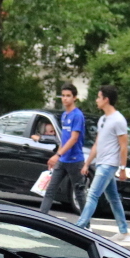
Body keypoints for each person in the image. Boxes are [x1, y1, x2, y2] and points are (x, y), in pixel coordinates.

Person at [74, 84, 130, 242]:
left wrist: (122, 168)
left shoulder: (118, 120)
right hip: (101, 162)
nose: (96, 100)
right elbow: (97, 144)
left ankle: (79, 228)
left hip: (109, 164)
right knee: (113, 198)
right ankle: (124, 232)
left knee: (92, 195)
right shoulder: (103, 119)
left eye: (99, 97)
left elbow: (123, 146)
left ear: (106, 99)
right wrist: (87, 163)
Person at [38, 83, 87, 214]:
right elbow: (64, 139)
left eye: (68, 96)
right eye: (63, 96)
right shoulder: (65, 115)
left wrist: (57, 155)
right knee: (50, 190)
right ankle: (40, 220)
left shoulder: (77, 115)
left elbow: (74, 138)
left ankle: (86, 225)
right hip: (62, 160)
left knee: (79, 193)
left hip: (75, 160)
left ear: (75, 98)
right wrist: (57, 155)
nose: (65, 99)